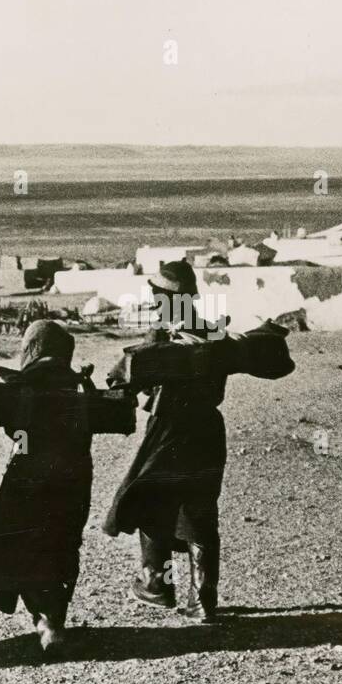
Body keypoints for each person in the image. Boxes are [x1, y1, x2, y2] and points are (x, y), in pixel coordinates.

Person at [0, 320, 94, 658]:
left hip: (27, 476)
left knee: (21, 540)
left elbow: (15, 430)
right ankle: (54, 621)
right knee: (62, 543)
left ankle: (40, 617)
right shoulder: (77, 387)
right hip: (73, 479)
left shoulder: (22, 384)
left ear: (32, 349)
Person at [102, 259, 225, 622]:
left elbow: (121, 378)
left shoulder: (161, 336)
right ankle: (203, 601)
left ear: (163, 296)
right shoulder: (212, 332)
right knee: (199, 513)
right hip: (207, 429)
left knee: (150, 500)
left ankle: (156, 585)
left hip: (169, 430)